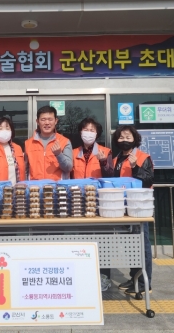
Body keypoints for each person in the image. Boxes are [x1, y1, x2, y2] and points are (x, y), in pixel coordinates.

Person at [70, 117, 115, 291]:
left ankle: (104, 277)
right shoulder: (74, 153)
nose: (88, 133)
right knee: (84, 240)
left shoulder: (105, 151)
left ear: (97, 134)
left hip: (98, 202)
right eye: (86, 129)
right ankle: (85, 275)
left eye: (92, 130)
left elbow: (111, 176)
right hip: (79, 202)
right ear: (80, 132)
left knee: (102, 240)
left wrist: (103, 162)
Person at [110, 125, 155, 296]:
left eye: (128, 137)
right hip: (123, 208)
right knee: (131, 246)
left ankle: (144, 282)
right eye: (121, 137)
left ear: (135, 139)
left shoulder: (143, 157)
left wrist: (136, 167)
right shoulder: (116, 159)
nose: (124, 140)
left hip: (138, 208)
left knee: (142, 244)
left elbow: (148, 180)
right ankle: (134, 277)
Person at [25, 106, 73, 181]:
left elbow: (68, 168)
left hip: (57, 187)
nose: (47, 123)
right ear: (37, 121)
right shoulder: (28, 143)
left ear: (56, 121)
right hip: (35, 187)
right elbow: (25, 170)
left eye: (50, 119)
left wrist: (59, 154)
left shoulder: (65, 142)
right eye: (43, 120)